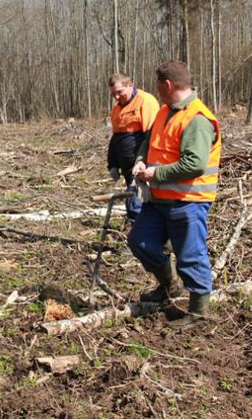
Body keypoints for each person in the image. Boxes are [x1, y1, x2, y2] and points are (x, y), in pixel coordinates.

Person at [127, 60, 221, 328]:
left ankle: (199, 311)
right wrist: (141, 160)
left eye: (158, 86)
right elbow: (149, 142)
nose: (156, 92)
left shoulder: (198, 119)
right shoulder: (164, 111)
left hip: (188, 201)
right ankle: (168, 286)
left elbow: (194, 164)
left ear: (167, 85)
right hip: (158, 200)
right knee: (140, 242)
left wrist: (154, 174)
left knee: (190, 254)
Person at [107, 73, 159, 223]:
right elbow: (116, 138)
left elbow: (151, 138)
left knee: (136, 204)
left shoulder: (145, 101)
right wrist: (113, 164)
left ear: (130, 85)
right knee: (134, 203)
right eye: (113, 94)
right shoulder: (117, 108)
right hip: (127, 169)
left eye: (119, 92)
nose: (116, 97)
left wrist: (144, 163)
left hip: (142, 167)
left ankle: (140, 240)